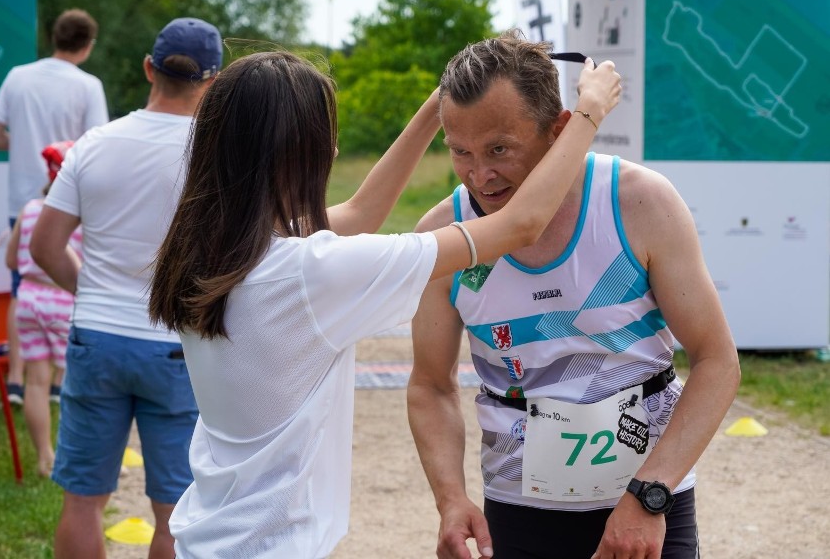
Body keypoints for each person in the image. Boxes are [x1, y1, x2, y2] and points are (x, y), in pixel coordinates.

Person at [145, 50, 619, 558]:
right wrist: (589, 113)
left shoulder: (216, 248)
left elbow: (361, 211)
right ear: (296, 153)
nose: (332, 147)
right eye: (323, 136)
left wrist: (447, 96)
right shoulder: (310, 273)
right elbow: (520, 225)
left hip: (212, 535)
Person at [406, 30, 741, 559]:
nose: (480, 176)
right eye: (460, 152)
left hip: (646, 501)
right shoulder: (446, 233)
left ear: (560, 129)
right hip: (518, 507)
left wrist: (649, 497)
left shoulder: (640, 203)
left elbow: (717, 361)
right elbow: (430, 385)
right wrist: (451, 499)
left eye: (499, 149)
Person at [28, 17, 222, 559]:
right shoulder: (214, 156)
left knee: (83, 500)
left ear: (148, 69)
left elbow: (45, 246)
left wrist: (90, 291)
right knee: (178, 510)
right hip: (177, 345)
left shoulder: (92, 145)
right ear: (212, 83)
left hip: (96, 338)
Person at [0, 8, 108, 405]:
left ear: (55, 37)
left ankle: (18, 379)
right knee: (68, 284)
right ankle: (56, 380)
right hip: (69, 203)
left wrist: (20, 147)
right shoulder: (88, 86)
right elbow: (96, 148)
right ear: (87, 46)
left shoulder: (18, 77)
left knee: (24, 284)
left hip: (23, 198)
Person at [4, 140, 81, 477]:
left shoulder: (30, 209)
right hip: (64, 301)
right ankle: (74, 456)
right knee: (76, 383)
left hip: (29, 300)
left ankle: (43, 457)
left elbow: (11, 260)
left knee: (35, 381)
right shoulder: (80, 215)